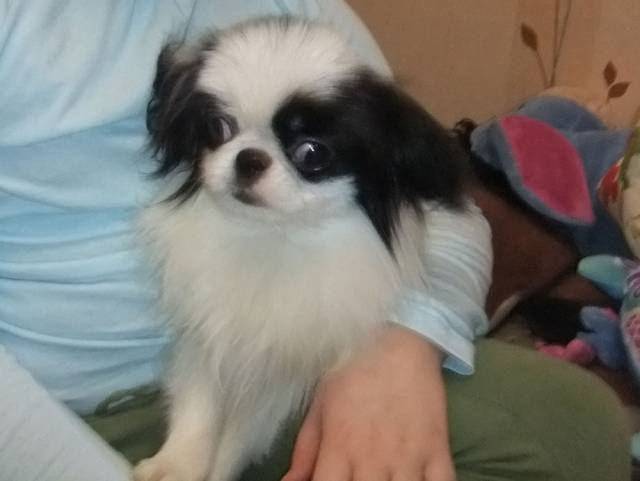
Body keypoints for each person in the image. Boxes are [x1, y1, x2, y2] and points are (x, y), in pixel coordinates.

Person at [0, 1, 629, 481]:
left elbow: (443, 205)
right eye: (220, 129)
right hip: (54, 416)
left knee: (574, 426)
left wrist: (407, 341)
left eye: (310, 154)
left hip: (333, 372)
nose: (246, 160)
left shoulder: (299, 14)